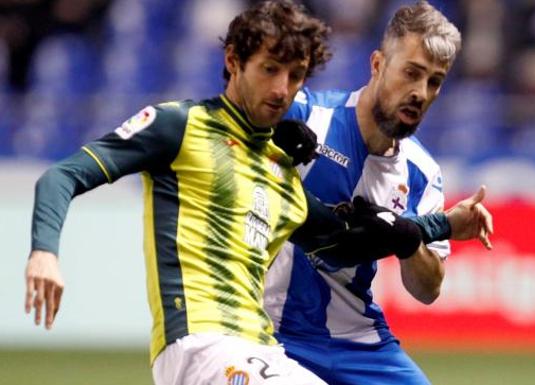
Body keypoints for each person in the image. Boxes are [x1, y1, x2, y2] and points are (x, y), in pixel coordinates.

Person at [23, 2, 338, 384]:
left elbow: (345, 235)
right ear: (234, 60)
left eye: (295, 76)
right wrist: (44, 252)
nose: (281, 89)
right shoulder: (179, 126)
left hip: (258, 348)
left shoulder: (283, 174)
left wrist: (418, 230)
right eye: (270, 69)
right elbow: (63, 175)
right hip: (200, 344)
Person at [264, 2, 493, 385]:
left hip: (356, 342)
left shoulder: (422, 173)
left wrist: (408, 241)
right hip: (265, 329)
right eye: (411, 73)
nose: (420, 93)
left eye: (434, 82)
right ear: (377, 65)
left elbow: (427, 289)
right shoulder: (304, 118)